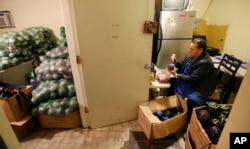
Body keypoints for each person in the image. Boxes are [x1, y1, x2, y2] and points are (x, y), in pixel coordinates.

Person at [169, 38, 216, 122]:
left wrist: (176, 75)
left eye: (192, 49)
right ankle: (173, 107)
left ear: (200, 50)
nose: (189, 50)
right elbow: (182, 64)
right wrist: (175, 62)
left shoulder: (205, 63)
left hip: (198, 87)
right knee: (170, 82)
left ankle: (189, 122)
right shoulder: (191, 55)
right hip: (188, 80)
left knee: (191, 102)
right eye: (189, 48)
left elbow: (193, 79)